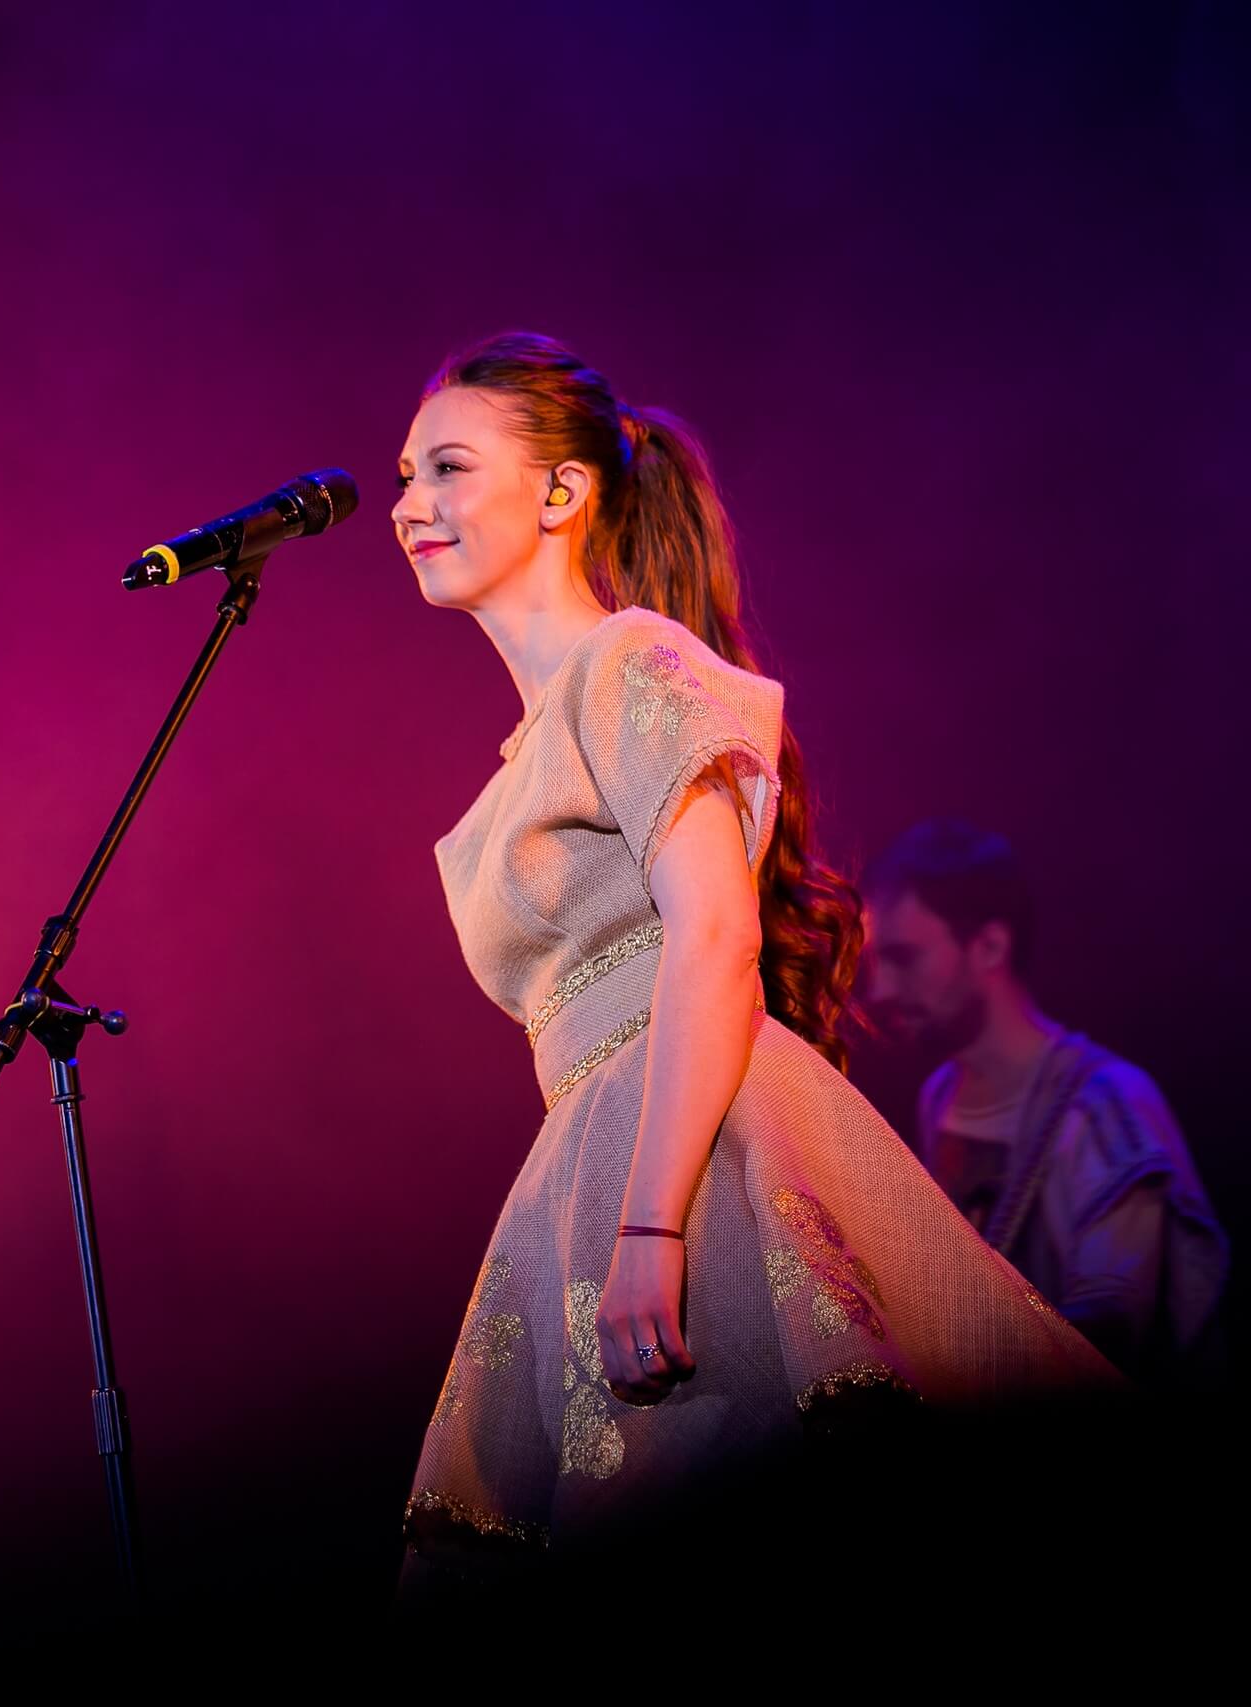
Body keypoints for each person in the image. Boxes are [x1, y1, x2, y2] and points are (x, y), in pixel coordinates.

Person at [390, 333, 1118, 1600]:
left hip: (685, 1149)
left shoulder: (630, 659)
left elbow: (715, 935)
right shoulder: (527, 753)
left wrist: (650, 1220)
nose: (409, 503)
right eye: (405, 475)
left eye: (448, 467)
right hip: (594, 1146)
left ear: (561, 492)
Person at [863, 818, 1227, 1383]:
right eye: (874, 964)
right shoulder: (940, 1095)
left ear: (990, 946)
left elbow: (1115, 1330)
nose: (879, 989)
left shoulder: (1107, 1102)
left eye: (903, 958)